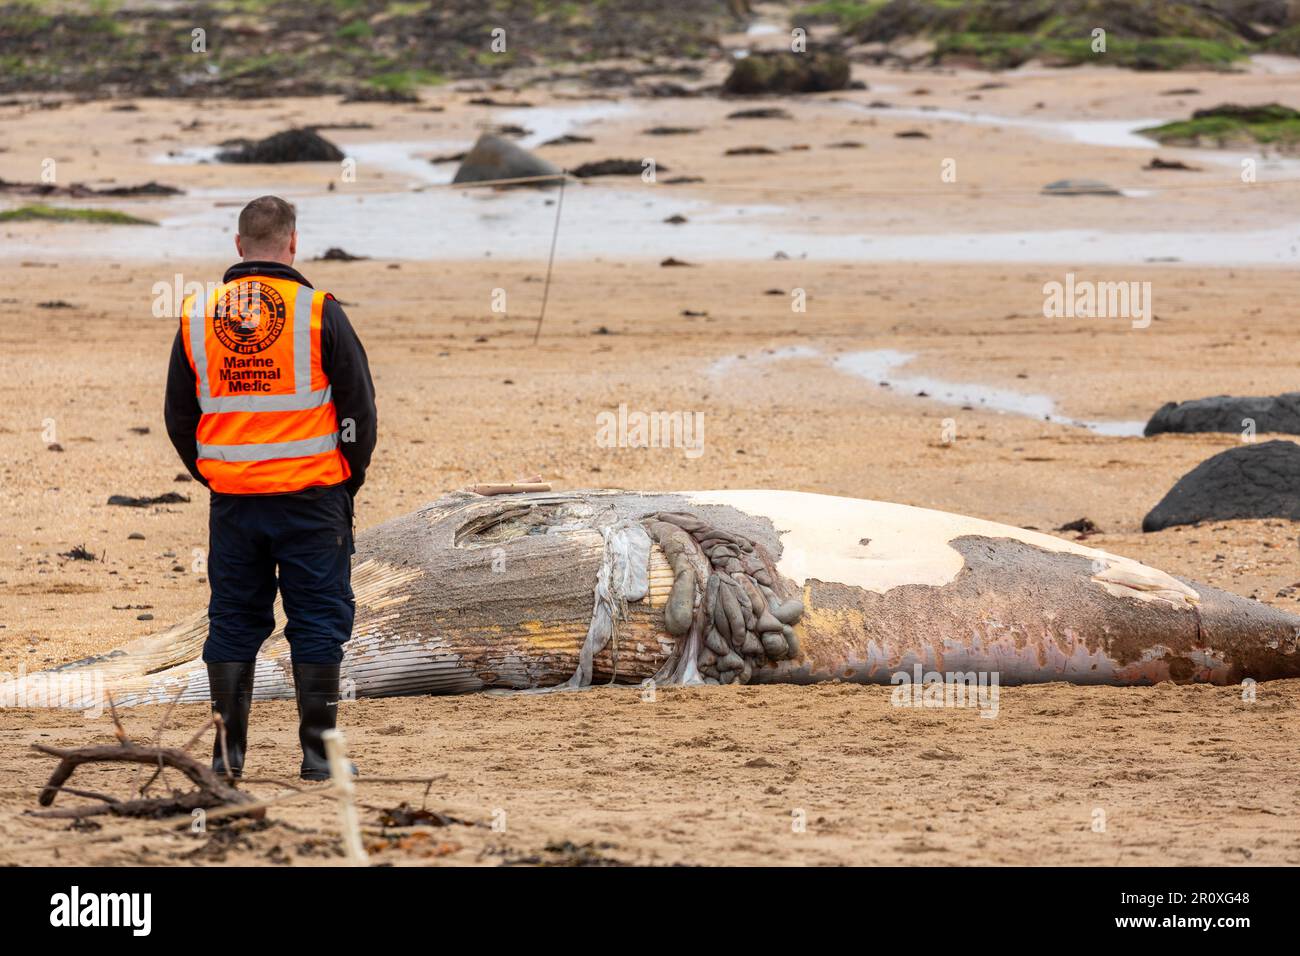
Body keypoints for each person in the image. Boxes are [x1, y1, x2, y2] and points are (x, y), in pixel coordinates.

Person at [164, 195, 376, 780]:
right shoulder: (317, 311)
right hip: (312, 498)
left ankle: (227, 758)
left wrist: (215, 471)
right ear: (292, 244)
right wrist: (346, 478)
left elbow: (179, 417)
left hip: (234, 500)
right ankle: (318, 755)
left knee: (233, 617)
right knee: (319, 618)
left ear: (238, 247)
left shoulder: (199, 314)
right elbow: (359, 409)